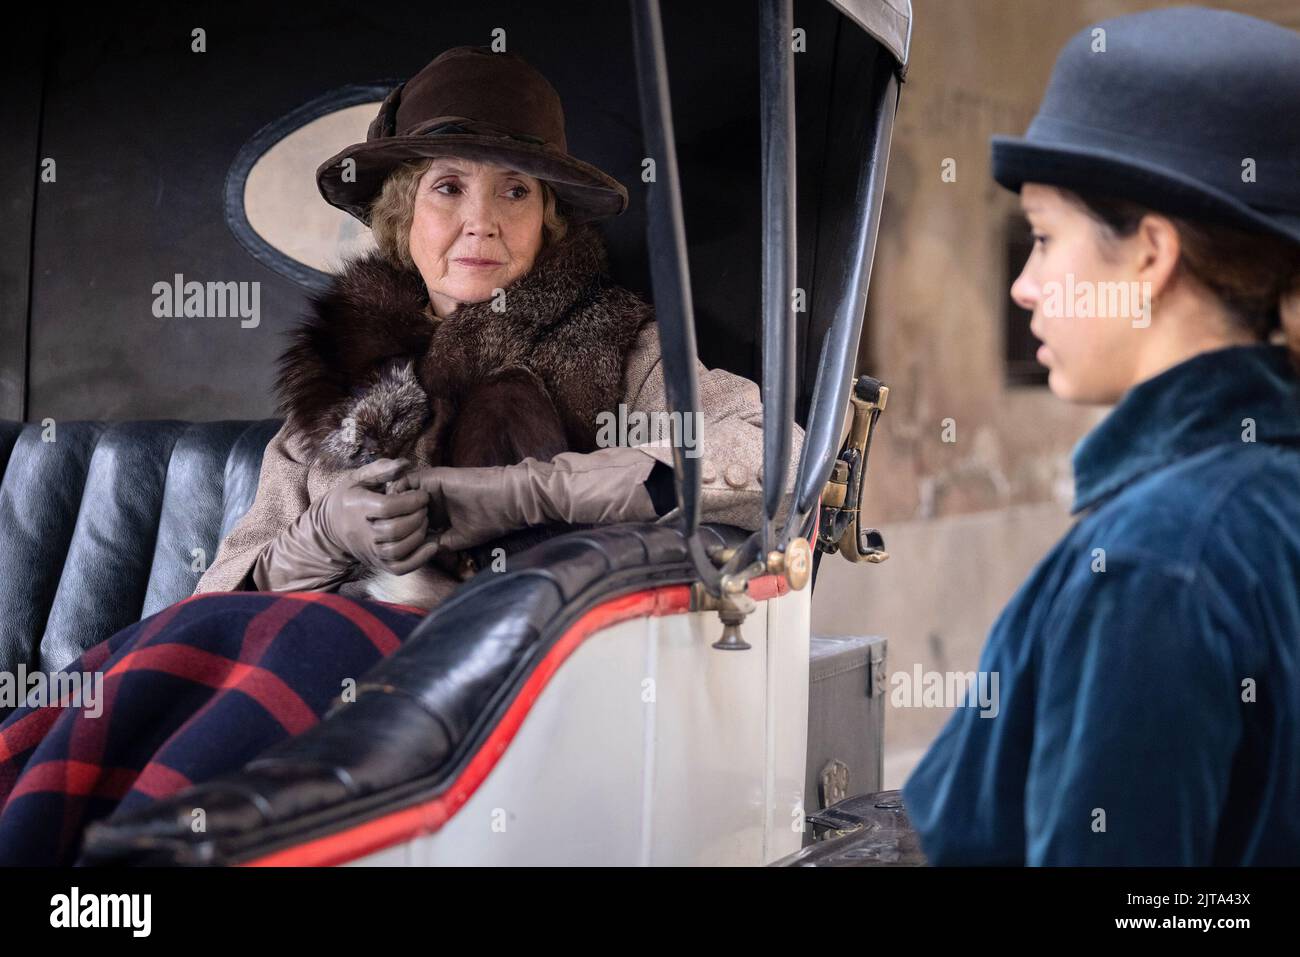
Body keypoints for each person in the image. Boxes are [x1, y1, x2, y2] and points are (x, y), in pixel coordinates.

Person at [0, 45, 801, 865]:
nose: (480, 220)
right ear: (403, 216)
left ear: (548, 218)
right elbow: (227, 584)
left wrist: (531, 492)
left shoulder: (619, 344)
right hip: (305, 640)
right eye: (448, 187)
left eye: (515, 191)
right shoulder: (339, 373)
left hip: (477, 691)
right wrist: (324, 536)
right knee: (155, 667)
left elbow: (773, 453)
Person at [901, 6, 1300, 866]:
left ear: (1151, 255)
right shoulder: (1266, 494)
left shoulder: (1155, 565)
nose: (1023, 285)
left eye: (1043, 240)